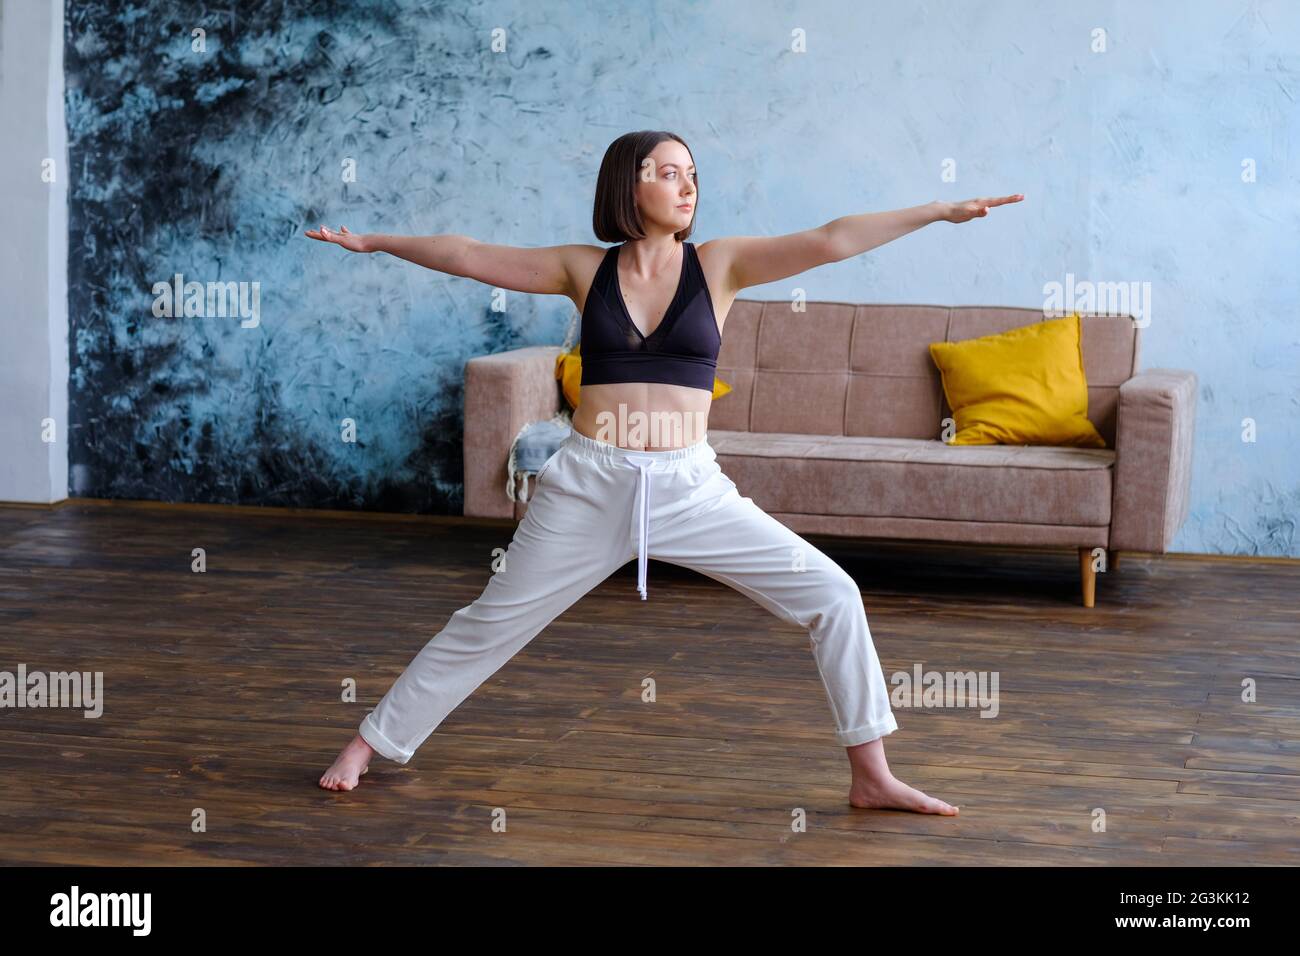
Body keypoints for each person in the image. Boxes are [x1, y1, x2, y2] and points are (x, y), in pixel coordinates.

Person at [308, 129, 1022, 812]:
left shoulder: (721, 264)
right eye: (669, 173)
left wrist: (936, 211)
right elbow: (467, 252)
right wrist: (374, 242)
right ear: (629, 182)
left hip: (690, 488)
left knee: (833, 595)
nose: (687, 188)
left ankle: (873, 776)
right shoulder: (582, 269)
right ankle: (369, 744)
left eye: (693, 176)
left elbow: (833, 238)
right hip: (587, 484)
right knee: (488, 624)